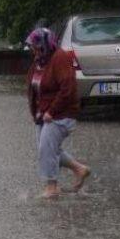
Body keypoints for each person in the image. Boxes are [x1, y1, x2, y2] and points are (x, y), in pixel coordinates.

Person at [25, 28, 91, 198]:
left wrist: (52, 111)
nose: (32, 49)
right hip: (43, 115)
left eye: (34, 46)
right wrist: (36, 112)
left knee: (46, 149)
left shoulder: (60, 58)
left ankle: (51, 187)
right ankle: (79, 169)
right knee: (47, 149)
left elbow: (67, 89)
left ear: (44, 45)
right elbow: (34, 87)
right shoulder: (39, 61)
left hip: (60, 114)